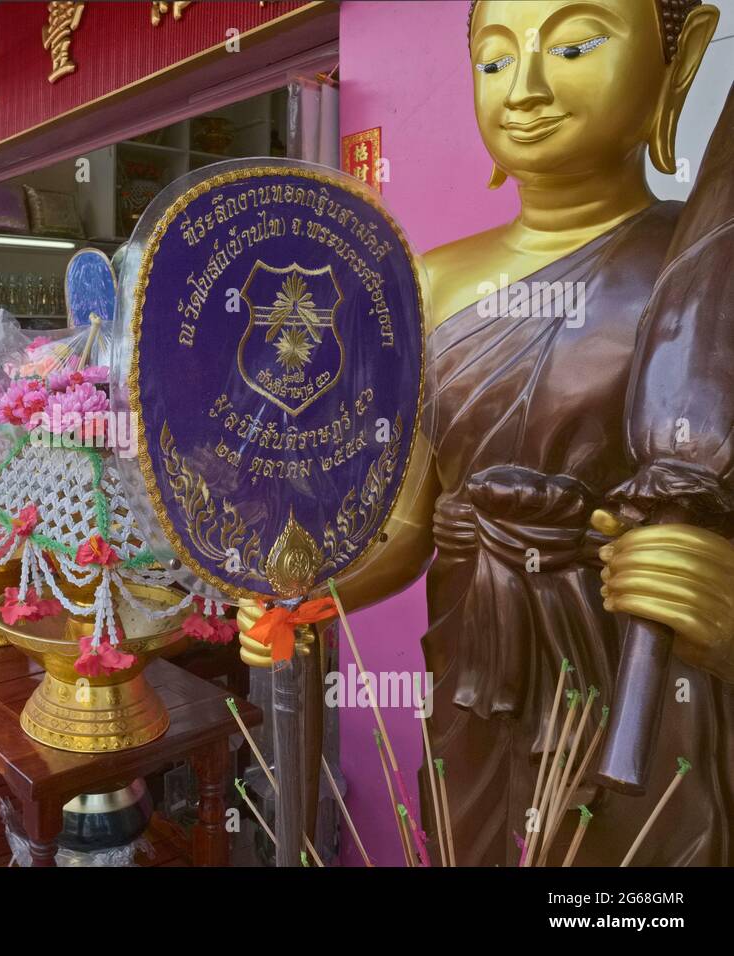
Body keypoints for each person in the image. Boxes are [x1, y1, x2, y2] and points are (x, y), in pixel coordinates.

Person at [241, 0, 733, 865]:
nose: (528, 89)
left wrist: (721, 598)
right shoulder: (432, 282)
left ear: (680, 59)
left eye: (576, 44)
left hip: (648, 678)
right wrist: (315, 592)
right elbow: (404, 523)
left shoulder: (706, 272)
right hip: (475, 675)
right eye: (496, 60)